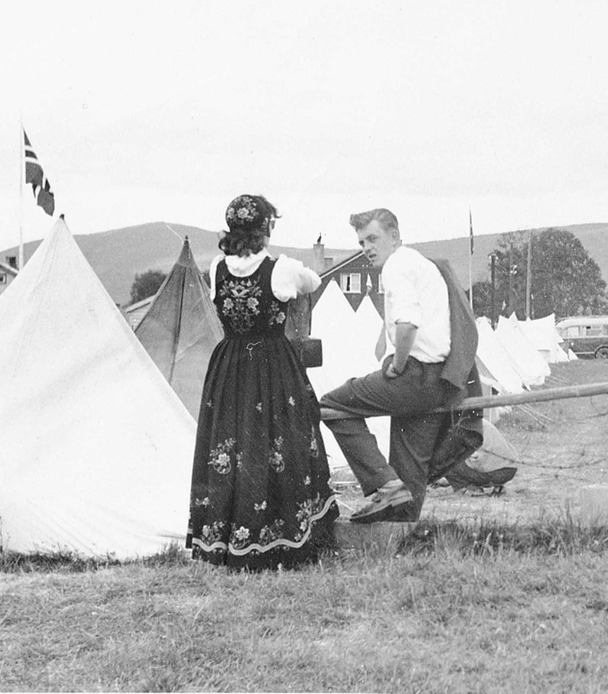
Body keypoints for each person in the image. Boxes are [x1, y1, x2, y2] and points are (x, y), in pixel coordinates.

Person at [187, 194, 338, 569]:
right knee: (280, 441)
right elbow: (313, 281)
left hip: (230, 365)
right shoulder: (282, 269)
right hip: (271, 364)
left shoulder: (216, 268)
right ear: (266, 228)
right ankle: (284, 539)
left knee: (232, 443)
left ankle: (231, 539)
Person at [321, 208, 479, 524]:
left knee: (331, 405)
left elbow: (406, 324)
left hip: (416, 375)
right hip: (441, 380)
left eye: (373, 239)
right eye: (362, 241)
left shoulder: (396, 266)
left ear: (394, 236)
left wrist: (397, 364)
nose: (366, 248)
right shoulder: (422, 264)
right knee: (411, 466)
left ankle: (383, 483)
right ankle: (400, 533)